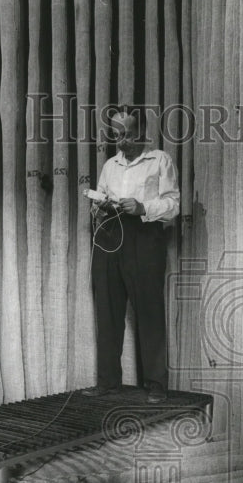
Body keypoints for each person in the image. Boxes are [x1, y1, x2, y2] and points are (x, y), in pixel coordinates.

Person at [82, 106, 180, 405]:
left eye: (127, 134)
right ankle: (108, 382)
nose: (121, 141)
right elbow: (99, 195)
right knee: (107, 310)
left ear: (141, 132)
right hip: (109, 236)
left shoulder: (160, 159)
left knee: (148, 310)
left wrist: (143, 208)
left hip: (144, 236)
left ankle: (156, 384)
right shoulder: (111, 164)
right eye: (116, 135)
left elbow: (174, 204)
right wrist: (99, 205)